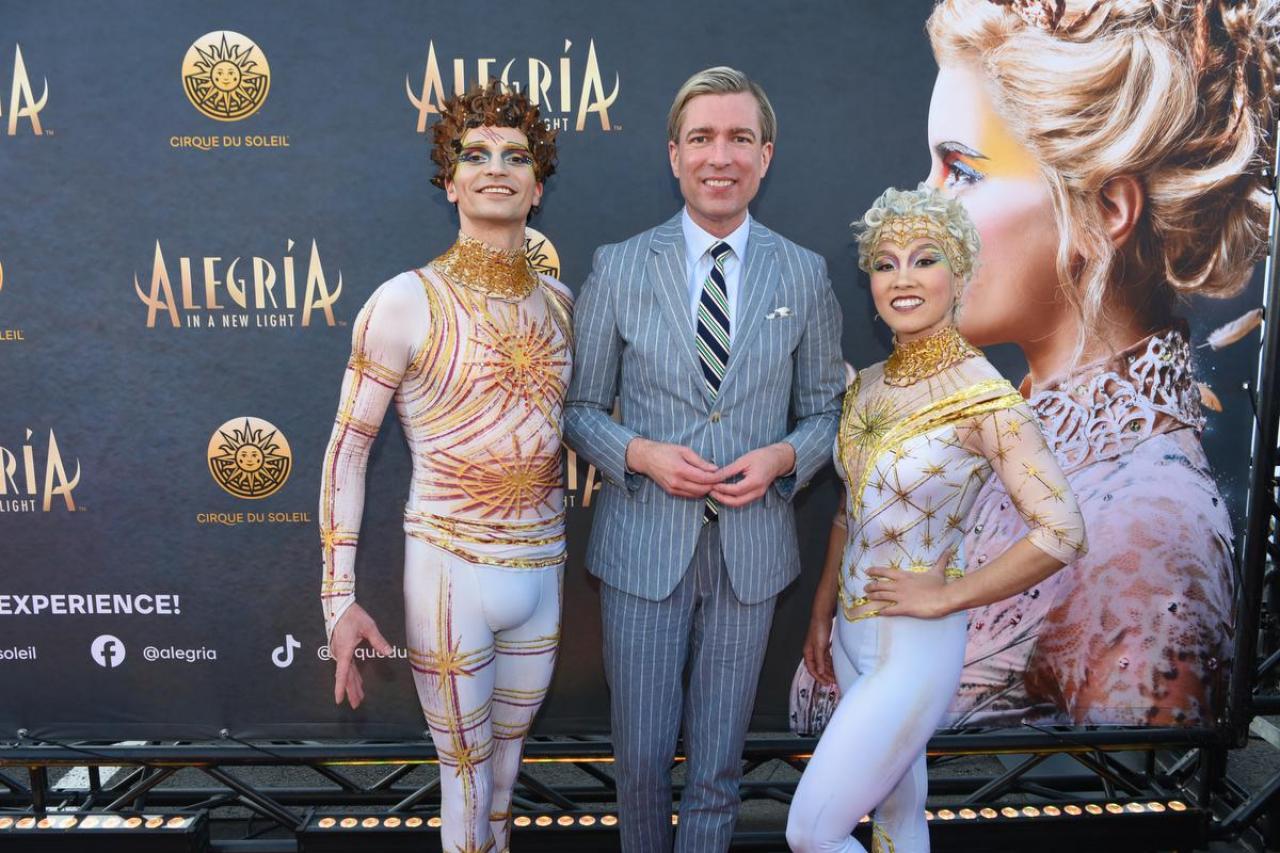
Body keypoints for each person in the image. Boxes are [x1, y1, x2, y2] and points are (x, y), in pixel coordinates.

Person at [924, 0, 1278, 726]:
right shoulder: (1013, 449)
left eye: (960, 171)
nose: (919, 209)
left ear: (1105, 210)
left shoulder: (1145, 538)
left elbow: (1137, 794)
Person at [564, 66, 844, 852]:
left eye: (739, 138)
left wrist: (784, 455)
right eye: (702, 138)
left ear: (766, 155)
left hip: (750, 559)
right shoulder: (620, 266)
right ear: (674, 154)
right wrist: (640, 452)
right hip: (643, 552)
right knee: (641, 764)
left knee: (719, 770)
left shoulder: (804, 272)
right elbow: (578, 409)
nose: (720, 156)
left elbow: (829, 412)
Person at [786, 184, 1086, 853]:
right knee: (897, 818)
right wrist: (821, 611)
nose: (903, 278)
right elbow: (849, 508)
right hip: (850, 638)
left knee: (811, 832)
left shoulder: (987, 399)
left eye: (925, 259)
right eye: (885, 263)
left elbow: (1063, 530)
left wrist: (948, 594)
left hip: (916, 647)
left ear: (960, 272)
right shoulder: (866, 385)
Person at [318, 81, 571, 853]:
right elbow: (347, 450)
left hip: (544, 568)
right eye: (475, 154)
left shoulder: (562, 303)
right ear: (450, 181)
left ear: (537, 185)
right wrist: (336, 598)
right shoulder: (405, 300)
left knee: (504, 783)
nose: (496, 168)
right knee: (463, 783)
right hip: (449, 568)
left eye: (516, 157)